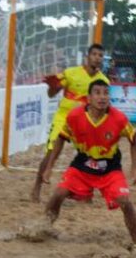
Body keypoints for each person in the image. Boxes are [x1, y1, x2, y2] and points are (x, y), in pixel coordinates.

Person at [42, 80, 136, 244]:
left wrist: (134, 168)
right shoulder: (75, 116)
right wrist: (49, 167)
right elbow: (60, 139)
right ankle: (43, 228)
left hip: (110, 168)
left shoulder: (119, 118)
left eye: (106, 93)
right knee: (58, 194)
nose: (102, 97)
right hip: (82, 165)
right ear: (89, 98)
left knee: (125, 201)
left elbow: (134, 140)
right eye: (97, 92)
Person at [31, 43, 108, 202]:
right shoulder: (71, 73)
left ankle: (86, 193)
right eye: (94, 54)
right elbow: (52, 94)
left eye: (100, 55)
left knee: (91, 156)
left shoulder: (103, 81)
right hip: (64, 117)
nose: (97, 58)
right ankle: (37, 187)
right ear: (88, 57)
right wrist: (52, 86)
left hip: (85, 120)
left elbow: (103, 105)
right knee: (51, 151)